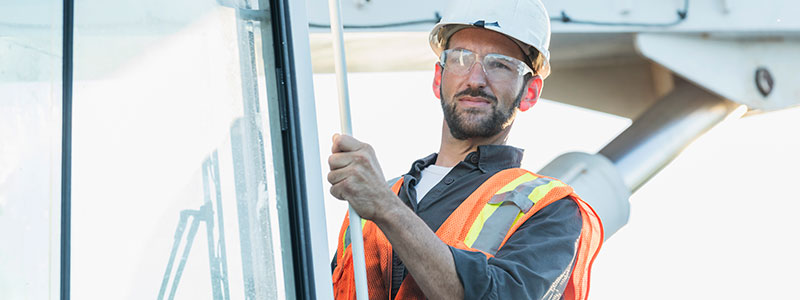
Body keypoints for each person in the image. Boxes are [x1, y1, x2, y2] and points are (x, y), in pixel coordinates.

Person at [327, 0, 603, 299]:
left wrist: (386, 209)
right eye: (460, 58)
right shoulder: (374, 197)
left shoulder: (550, 209)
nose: (475, 79)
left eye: (499, 64)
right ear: (438, 78)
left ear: (530, 93)